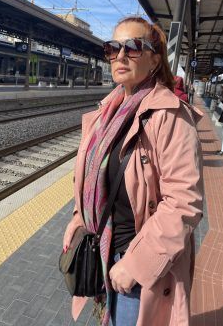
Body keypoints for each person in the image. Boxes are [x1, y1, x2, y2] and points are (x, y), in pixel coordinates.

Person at [63, 16, 204, 326]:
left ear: (154, 59)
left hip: (141, 266)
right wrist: (78, 218)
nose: (121, 55)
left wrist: (135, 264)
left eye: (133, 47)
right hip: (102, 251)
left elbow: (184, 203)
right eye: (113, 48)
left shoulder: (171, 117)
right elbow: (88, 178)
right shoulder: (105, 113)